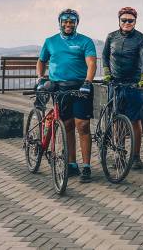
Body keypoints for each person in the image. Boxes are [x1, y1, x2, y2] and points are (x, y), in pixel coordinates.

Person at [36, 9, 97, 182]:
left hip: (80, 87)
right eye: (65, 21)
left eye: (72, 21)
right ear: (60, 22)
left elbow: (91, 62)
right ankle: (72, 164)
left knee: (83, 125)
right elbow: (41, 61)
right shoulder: (50, 41)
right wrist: (40, 78)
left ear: (77, 23)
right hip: (59, 88)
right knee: (67, 125)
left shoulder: (85, 41)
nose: (68, 24)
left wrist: (87, 82)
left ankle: (86, 166)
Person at [102, 7, 143, 169]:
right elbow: (104, 56)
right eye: (124, 20)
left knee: (135, 120)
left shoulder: (141, 39)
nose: (127, 23)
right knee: (117, 120)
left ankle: (136, 157)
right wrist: (107, 73)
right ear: (119, 21)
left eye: (131, 20)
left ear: (135, 22)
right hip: (115, 83)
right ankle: (120, 154)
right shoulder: (111, 37)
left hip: (134, 84)